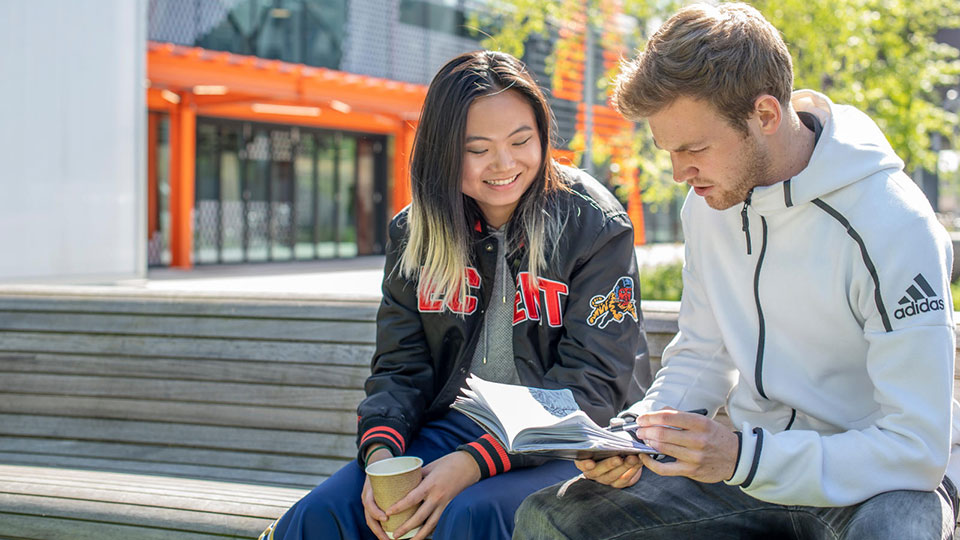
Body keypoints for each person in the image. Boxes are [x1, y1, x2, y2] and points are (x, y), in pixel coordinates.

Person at [514, 3, 960, 539]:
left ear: (766, 116)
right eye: (668, 151)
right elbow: (703, 353)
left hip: (875, 482)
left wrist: (743, 457)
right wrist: (638, 435)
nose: (680, 173)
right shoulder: (710, 202)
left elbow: (916, 448)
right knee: (549, 520)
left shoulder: (892, 224)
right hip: (747, 470)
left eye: (694, 148)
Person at [260, 50, 650, 540]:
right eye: (477, 148)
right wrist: (381, 460)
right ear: (444, 151)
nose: (504, 163)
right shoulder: (416, 233)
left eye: (521, 140)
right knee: (323, 513)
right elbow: (401, 367)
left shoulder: (592, 223)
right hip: (458, 430)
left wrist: (470, 464)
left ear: (543, 137)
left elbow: (594, 383)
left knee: (467, 514)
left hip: (576, 445)